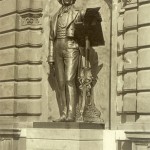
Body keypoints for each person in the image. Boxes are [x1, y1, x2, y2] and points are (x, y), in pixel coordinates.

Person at [48, 0, 83, 122]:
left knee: (69, 80)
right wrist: (50, 56)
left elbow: (83, 34)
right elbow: (51, 38)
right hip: (57, 47)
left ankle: (71, 114)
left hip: (71, 47)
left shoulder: (78, 13)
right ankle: (63, 113)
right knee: (60, 82)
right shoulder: (54, 16)